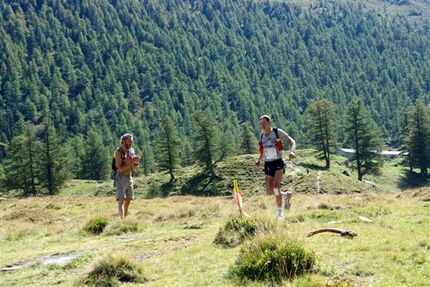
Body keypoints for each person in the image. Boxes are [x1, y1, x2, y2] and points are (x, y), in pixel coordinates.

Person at [255, 115, 296, 220]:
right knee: (270, 192)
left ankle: (280, 213)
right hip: (268, 164)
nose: (262, 126)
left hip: (278, 162)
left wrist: (292, 151)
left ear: (269, 122)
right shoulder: (262, 135)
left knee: (276, 186)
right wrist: (259, 160)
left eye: (264, 123)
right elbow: (263, 150)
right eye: (261, 124)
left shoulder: (277, 132)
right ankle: (285, 196)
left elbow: (292, 141)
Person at [114, 133, 140, 219]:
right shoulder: (118, 152)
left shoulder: (131, 151)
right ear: (123, 141)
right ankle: (122, 220)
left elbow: (136, 170)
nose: (130, 143)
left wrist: (136, 163)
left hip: (129, 177)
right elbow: (120, 169)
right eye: (129, 141)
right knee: (121, 200)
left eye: (131, 142)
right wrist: (131, 162)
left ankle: (125, 218)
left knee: (128, 200)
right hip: (121, 177)